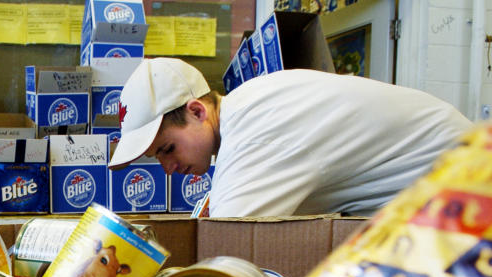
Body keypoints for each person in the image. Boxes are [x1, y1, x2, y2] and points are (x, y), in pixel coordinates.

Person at [108, 58, 473, 218]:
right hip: (444, 193)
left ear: (197, 112)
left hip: (468, 195)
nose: (167, 168)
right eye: (157, 157)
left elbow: (229, 249)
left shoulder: (256, 127)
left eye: (167, 148)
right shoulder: (249, 107)